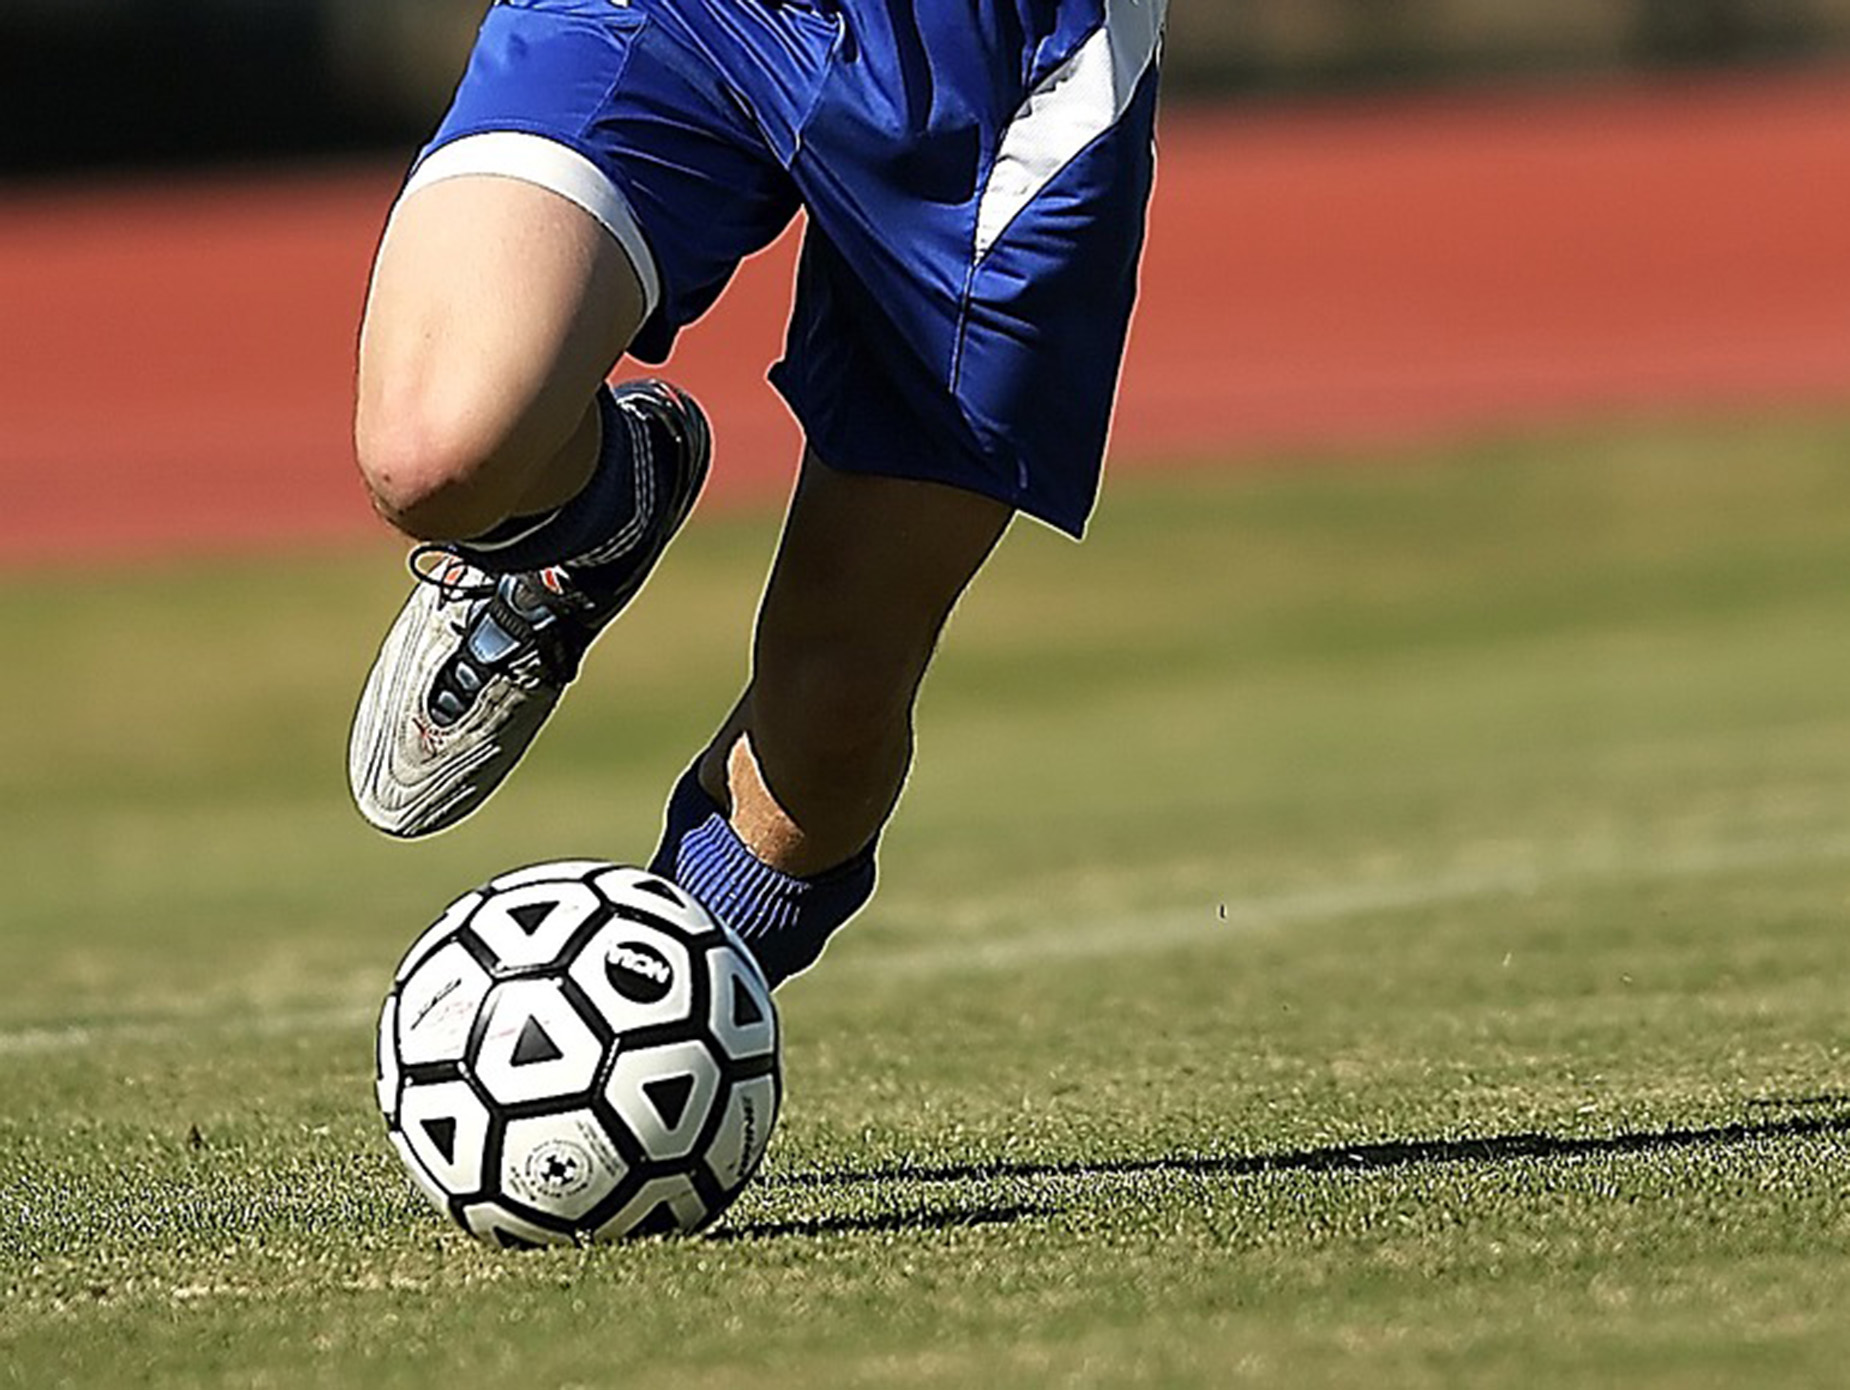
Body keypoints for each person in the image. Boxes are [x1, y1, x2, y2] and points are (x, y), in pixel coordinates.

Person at [347, 0, 1167, 989]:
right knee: (432, 453)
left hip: (1005, 72)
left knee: (834, 700)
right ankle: (592, 516)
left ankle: (648, 1024)